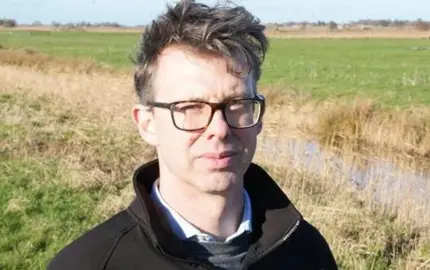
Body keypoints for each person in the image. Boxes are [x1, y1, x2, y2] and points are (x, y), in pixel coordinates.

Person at [47, 1, 338, 269]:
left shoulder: (307, 251)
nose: (220, 129)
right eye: (190, 107)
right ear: (147, 123)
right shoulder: (90, 263)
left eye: (237, 104)